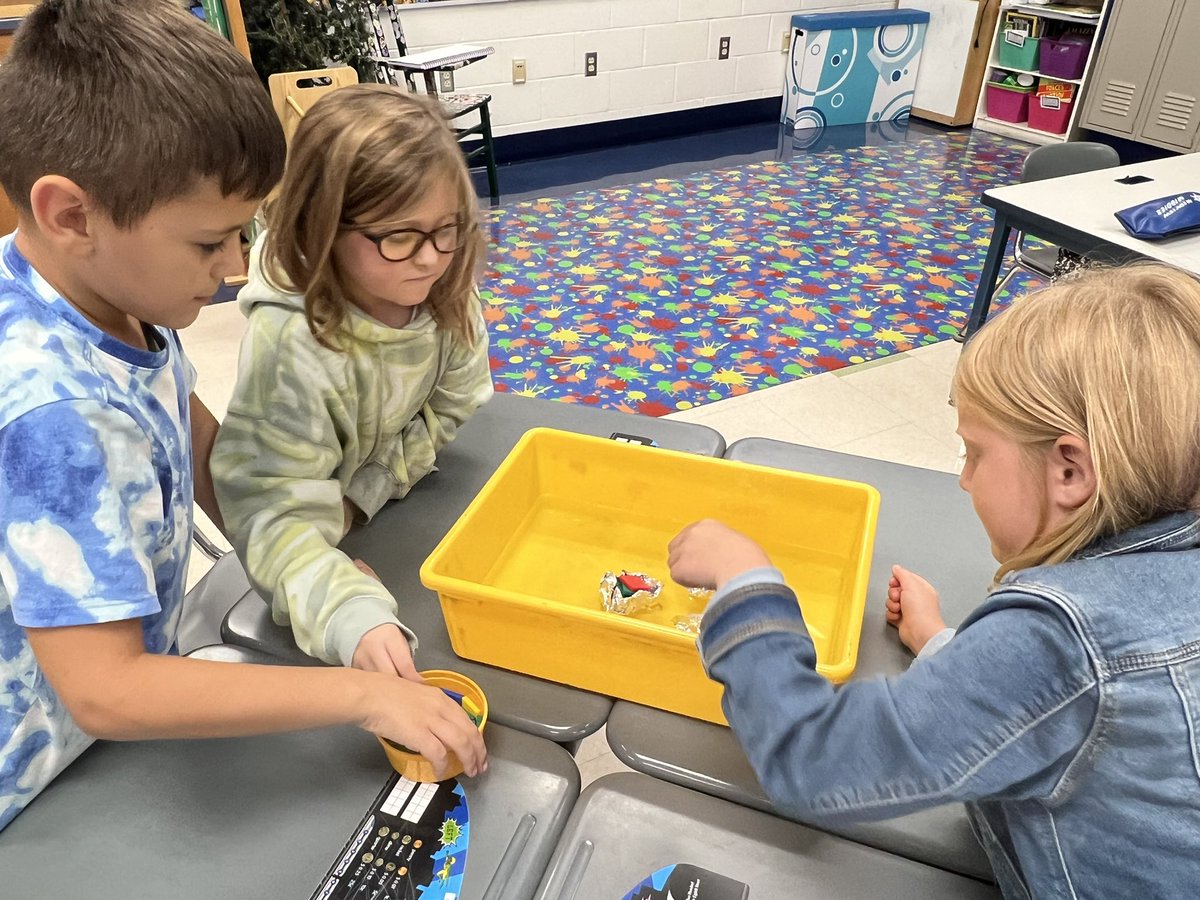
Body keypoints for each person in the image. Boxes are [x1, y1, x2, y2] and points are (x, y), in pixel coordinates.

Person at [0, 0, 484, 833]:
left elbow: (195, 443)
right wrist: (361, 696)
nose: (233, 271)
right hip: (38, 771)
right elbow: (107, 689)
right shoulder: (54, 410)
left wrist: (293, 553)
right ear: (70, 214)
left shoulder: (110, 297)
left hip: (104, 717)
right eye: (208, 243)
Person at [667, 265, 1200, 897]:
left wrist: (743, 579)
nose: (964, 480)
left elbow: (816, 763)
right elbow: (1069, 713)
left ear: (1070, 471)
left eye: (974, 452)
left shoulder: (1060, 637)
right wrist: (943, 643)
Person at [210, 85, 493, 678]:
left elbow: (453, 404)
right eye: (399, 236)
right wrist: (343, 608)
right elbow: (266, 513)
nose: (431, 259)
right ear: (323, 228)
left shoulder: (444, 287)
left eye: (448, 229)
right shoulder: (290, 351)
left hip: (370, 514)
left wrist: (364, 494)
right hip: (303, 546)